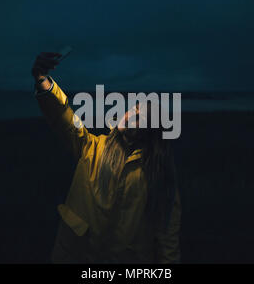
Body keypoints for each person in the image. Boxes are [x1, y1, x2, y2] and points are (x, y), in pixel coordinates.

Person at [31, 52, 181, 263]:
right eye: (133, 109)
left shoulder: (159, 174)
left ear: (152, 133)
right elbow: (63, 116)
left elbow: (167, 238)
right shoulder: (93, 147)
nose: (130, 116)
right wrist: (43, 80)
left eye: (141, 118)